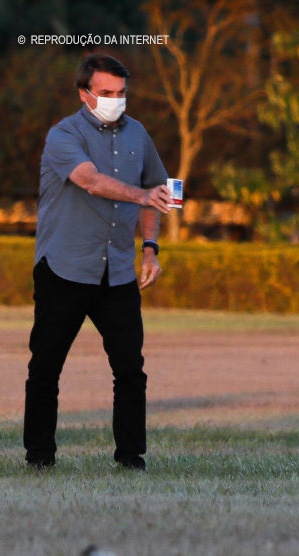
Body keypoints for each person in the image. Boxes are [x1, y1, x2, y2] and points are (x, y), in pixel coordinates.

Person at [24, 53, 172, 470]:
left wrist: (149, 248)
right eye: (107, 93)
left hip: (118, 270)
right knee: (46, 368)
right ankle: (39, 458)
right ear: (84, 94)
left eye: (121, 93)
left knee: (130, 370)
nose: (116, 100)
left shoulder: (138, 134)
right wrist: (142, 196)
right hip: (64, 267)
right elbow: (90, 181)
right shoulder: (62, 135)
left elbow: (155, 188)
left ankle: (131, 458)